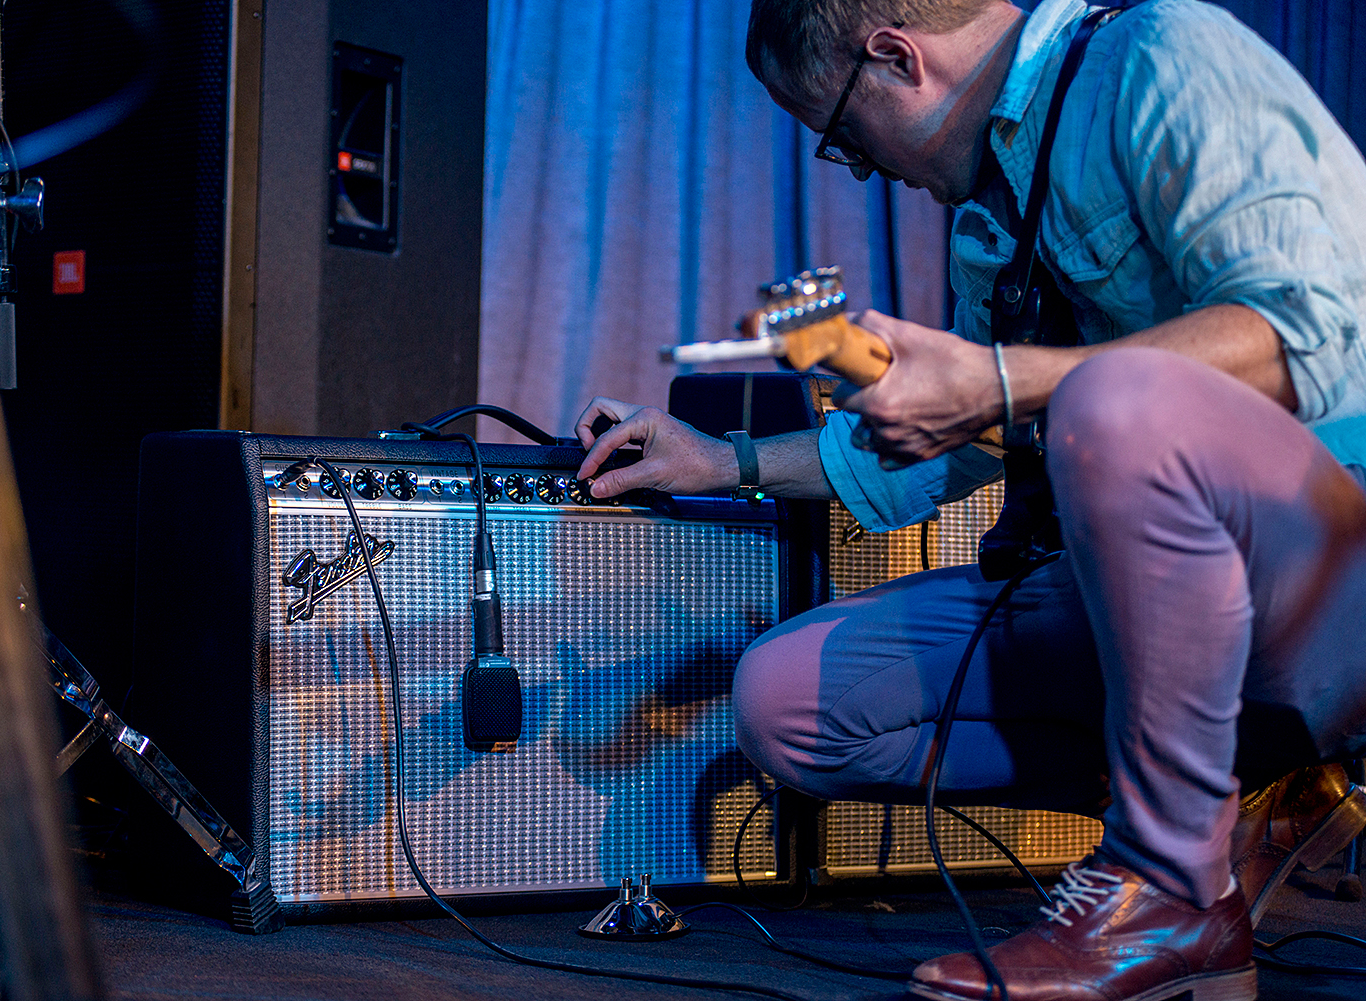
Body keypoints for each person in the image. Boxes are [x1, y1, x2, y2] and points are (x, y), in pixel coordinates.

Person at [574, 1, 1366, 999]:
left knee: (1109, 404)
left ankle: (1167, 883)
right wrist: (724, 461)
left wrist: (1007, 381)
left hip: (1335, 562)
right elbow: (945, 445)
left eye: (841, 135)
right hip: (1149, 593)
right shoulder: (993, 221)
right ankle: (1234, 801)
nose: (859, 167)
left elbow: (1314, 336)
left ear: (897, 56)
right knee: (786, 704)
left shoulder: (1164, 53)